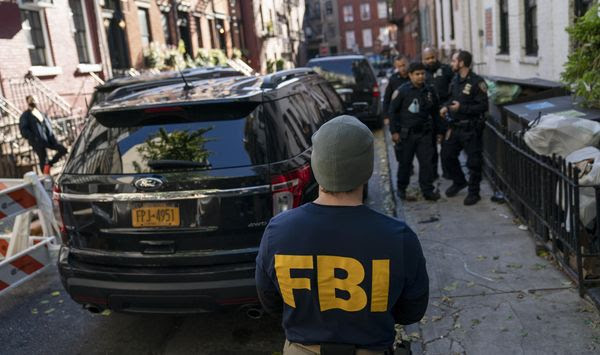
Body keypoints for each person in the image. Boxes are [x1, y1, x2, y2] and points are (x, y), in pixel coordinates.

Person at [255, 115, 429, 355]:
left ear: (316, 166)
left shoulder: (278, 231)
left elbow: (270, 301)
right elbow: (412, 310)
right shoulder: (398, 237)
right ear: (366, 168)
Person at [440, 50, 489, 206]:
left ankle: (474, 192)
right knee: (447, 155)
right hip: (455, 127)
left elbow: (483, 106)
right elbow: (451, 99)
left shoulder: (477, 82)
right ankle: (459, 181)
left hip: (471, 128)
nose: (451, 63)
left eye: (454, 61)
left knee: (473, 162)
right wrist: (446, 107)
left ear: (461, 63)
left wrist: (462, 108)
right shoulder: (455, 80)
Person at [389, 62, 441, 201]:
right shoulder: (402, 91)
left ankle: (427, 190)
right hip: (407, 135)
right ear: (410, 75)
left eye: (422, 74)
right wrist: (394, 131)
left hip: (425, 134)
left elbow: (435, 112)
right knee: (405, 163)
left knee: (426, 164)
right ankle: (401, 189)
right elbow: (392, 112)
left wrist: (439, 132)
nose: (420, 77)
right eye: (417, 74)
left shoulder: (429, 91)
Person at [422, 47, 454, 180]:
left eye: (432, 57)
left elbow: (454, 88)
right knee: (430, 147)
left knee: (447, 146)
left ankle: (448, 172)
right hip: (429, 114)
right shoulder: (421, 73)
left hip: (444, 111)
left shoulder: (446, 70)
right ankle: (433, 174)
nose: (430, 61)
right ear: (423, 59)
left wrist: (448, 105)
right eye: (427, 58)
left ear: (436, 56)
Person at [18, 95, 67, 172]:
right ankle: (46, 177)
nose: (34, 103)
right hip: (38, 142)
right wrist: (34, 138)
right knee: (43, 160)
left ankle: (49, 164)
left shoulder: (40, 113)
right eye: (31, 101)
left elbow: (47, 125)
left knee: (63, 149)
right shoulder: (26, 115)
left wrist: (51, 136)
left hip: (48, 139)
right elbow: (24, 130)